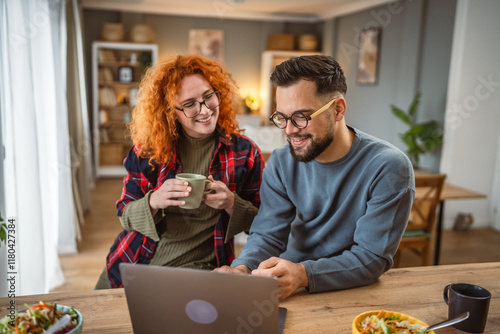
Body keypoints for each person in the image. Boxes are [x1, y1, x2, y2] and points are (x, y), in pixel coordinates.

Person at [215, 55, 415, 299]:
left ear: (338, 109)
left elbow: (372, 258)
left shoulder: (389, 167)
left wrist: (304, 274)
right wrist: (242, 268)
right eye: (282, 118)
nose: (289, 130)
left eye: (301, 117)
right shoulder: (281, 161)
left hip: (353, 290)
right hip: (289, 287)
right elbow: (268, 234)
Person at [95, 55, 264, 289]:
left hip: (202, 271)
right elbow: (125, 214)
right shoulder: (149, 151)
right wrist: (154, 200)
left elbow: (265, 225)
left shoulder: (244, 153)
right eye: (189, 104)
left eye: (208, 97)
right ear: (170, 111)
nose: (204, 110)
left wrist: (232, 203)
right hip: (135, 263)